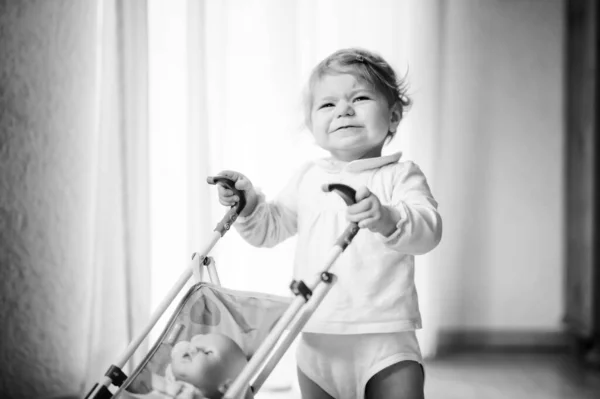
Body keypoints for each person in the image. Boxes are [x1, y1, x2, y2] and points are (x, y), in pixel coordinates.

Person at [215, 48, 442, 399]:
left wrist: (388, 218)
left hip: (386, 341)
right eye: (327, 105)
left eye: (360, 97)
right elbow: (270, 229)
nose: (344, 110)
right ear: (312, 127)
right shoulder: (308, 178)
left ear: (394, 116)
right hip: (316, 339)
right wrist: (249, 207)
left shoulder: (400, 176)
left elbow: (428, 231)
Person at [165, 333, 254, 399]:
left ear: (227, 387)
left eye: (207, 352)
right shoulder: (157, 379)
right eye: (191, 344)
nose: (193, 348)